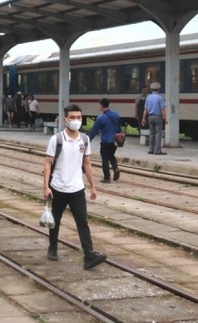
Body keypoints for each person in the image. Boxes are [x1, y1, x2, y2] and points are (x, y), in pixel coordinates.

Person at [43, 104, 107, 270]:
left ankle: (89, 256)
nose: (76, 121)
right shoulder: (56, 139)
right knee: (55, 221)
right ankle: (53, 248)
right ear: (65, 120)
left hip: (77, 188)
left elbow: (87, 164)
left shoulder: (84, 140)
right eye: (72, 117)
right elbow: (48, 163)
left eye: (79, 117)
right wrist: (46, 187)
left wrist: (93, 186)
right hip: (58, 187)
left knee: (82, 222)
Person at [88, 98, 121, 183]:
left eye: (99, 105)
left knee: (105, 159)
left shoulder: (100, 118)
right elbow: (119, 128)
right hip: (114, 141)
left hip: (105, 141)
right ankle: (115, 168)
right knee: (111, 155)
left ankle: (107, 177)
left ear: (101, 105)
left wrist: (87, 141)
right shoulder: (116, 115)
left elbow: (94, 131)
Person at [141, 82, 167, 155]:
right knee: (158, 134)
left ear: (152, 89)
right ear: (158, 89)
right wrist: (165, 118)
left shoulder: (148, 97)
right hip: (158, 117)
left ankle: (151, 149)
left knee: (151, 133)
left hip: (150, 117)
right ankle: (157, 150)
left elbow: (145, 109)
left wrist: (143, 119)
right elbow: (163, 109)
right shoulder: (160, 97)